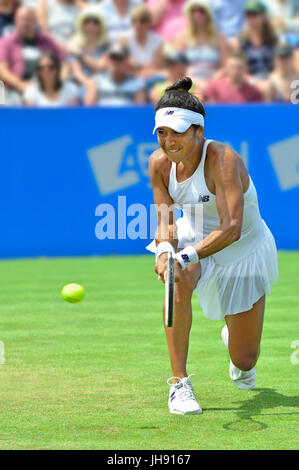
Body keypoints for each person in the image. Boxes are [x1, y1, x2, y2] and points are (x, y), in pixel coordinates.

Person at [147, 76, 278, 415]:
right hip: (194, 237)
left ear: (198, 131)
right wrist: (165, 252)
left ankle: (235, 343)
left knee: (245, 360)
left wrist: (184, 254)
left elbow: (231, 227)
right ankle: (179, 384)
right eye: (162, 132)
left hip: (241, 250)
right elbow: (165, 219)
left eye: (177, 132)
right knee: (174, 283)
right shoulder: (158, 164)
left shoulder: (223, 159)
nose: (168, 141)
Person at [0, 6, 65, 104]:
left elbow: (64, 63)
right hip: (15, 90)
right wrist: (21, 85)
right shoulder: (6, 42)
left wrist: (57, 83)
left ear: (35, 21)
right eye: (22, 19)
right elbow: (2, 70)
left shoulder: (47, 41)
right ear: (15, 21)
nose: (25, 23)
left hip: (46, 89)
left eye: (29, 19)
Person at [175, 0, 230, 87]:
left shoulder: (220, 37)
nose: (197, 14)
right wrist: (192, 81)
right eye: (193, 11)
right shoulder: (182, 37)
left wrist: (213, 81)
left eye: (201, 10)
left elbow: (225, 66)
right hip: (189, 82)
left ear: (208, 13)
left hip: (214, 82)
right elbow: (179, 67)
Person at [233, 1, 277, 81]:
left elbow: (279, 66)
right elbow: (237, 66)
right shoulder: (240, 40)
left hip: (271, 81)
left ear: (263, 16)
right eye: (248, 15)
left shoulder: (274, 40)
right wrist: (252, 81)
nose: (251, 18)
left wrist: (270, 81)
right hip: (248, 82)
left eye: (254, 14)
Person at [67, 6, 109, 88]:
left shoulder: (106, 46)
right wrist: (89, 86)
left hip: (102, 86)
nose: (91, 25)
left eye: (95, 22)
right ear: (82, 24)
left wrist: (81, 54)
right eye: (87, 21)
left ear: (101, 25)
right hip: (80, 86)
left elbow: (100, 67)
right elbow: (77, 72)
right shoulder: (75, 43)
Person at [120, 4, 163, 79]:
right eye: (134, 21)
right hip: (130, 78)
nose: (138, 24)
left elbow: (157, 68)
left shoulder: (157, 40)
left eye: (142, 21)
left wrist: (138, 67)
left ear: (149, 22)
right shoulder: (124, 39)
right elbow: (124, 66)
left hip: (151, 78)